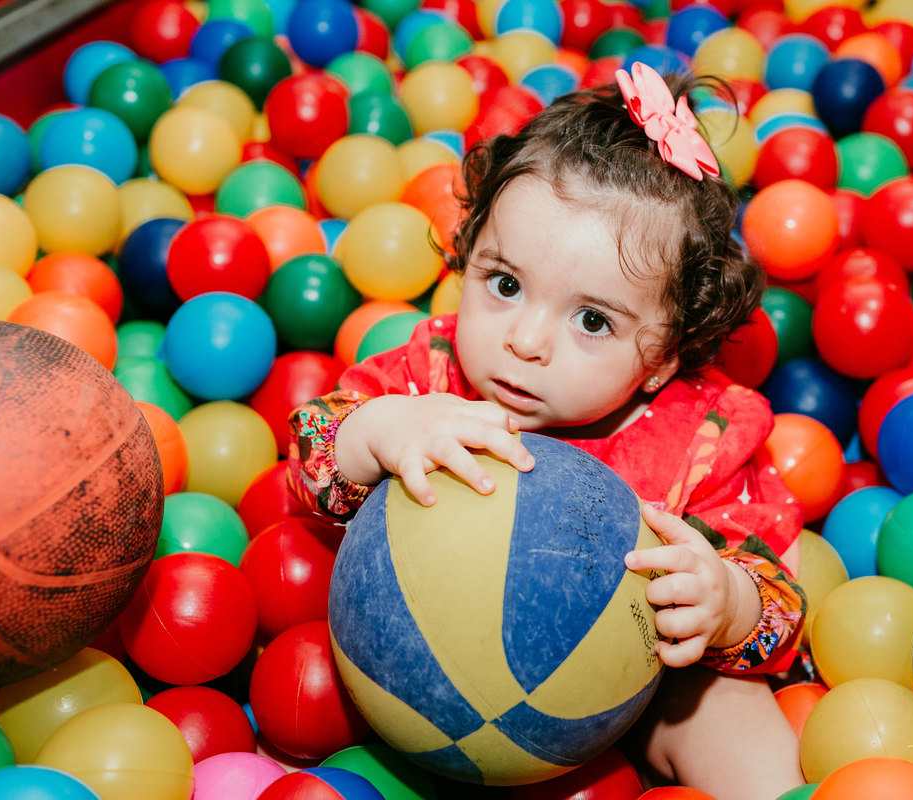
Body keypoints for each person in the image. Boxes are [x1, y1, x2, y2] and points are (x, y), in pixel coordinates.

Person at [289, 61, 807, 800]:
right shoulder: (428, 380)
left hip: (630, 691)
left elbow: (780, 597)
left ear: (660, 359)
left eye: (592, 320)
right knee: (307, 682)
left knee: (733, 718)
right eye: (505, 284)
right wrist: (379, 431)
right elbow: (309, 450)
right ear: (466, 256)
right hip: (410, 668)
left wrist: (726, 602)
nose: (525, 341)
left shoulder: (700, 437)